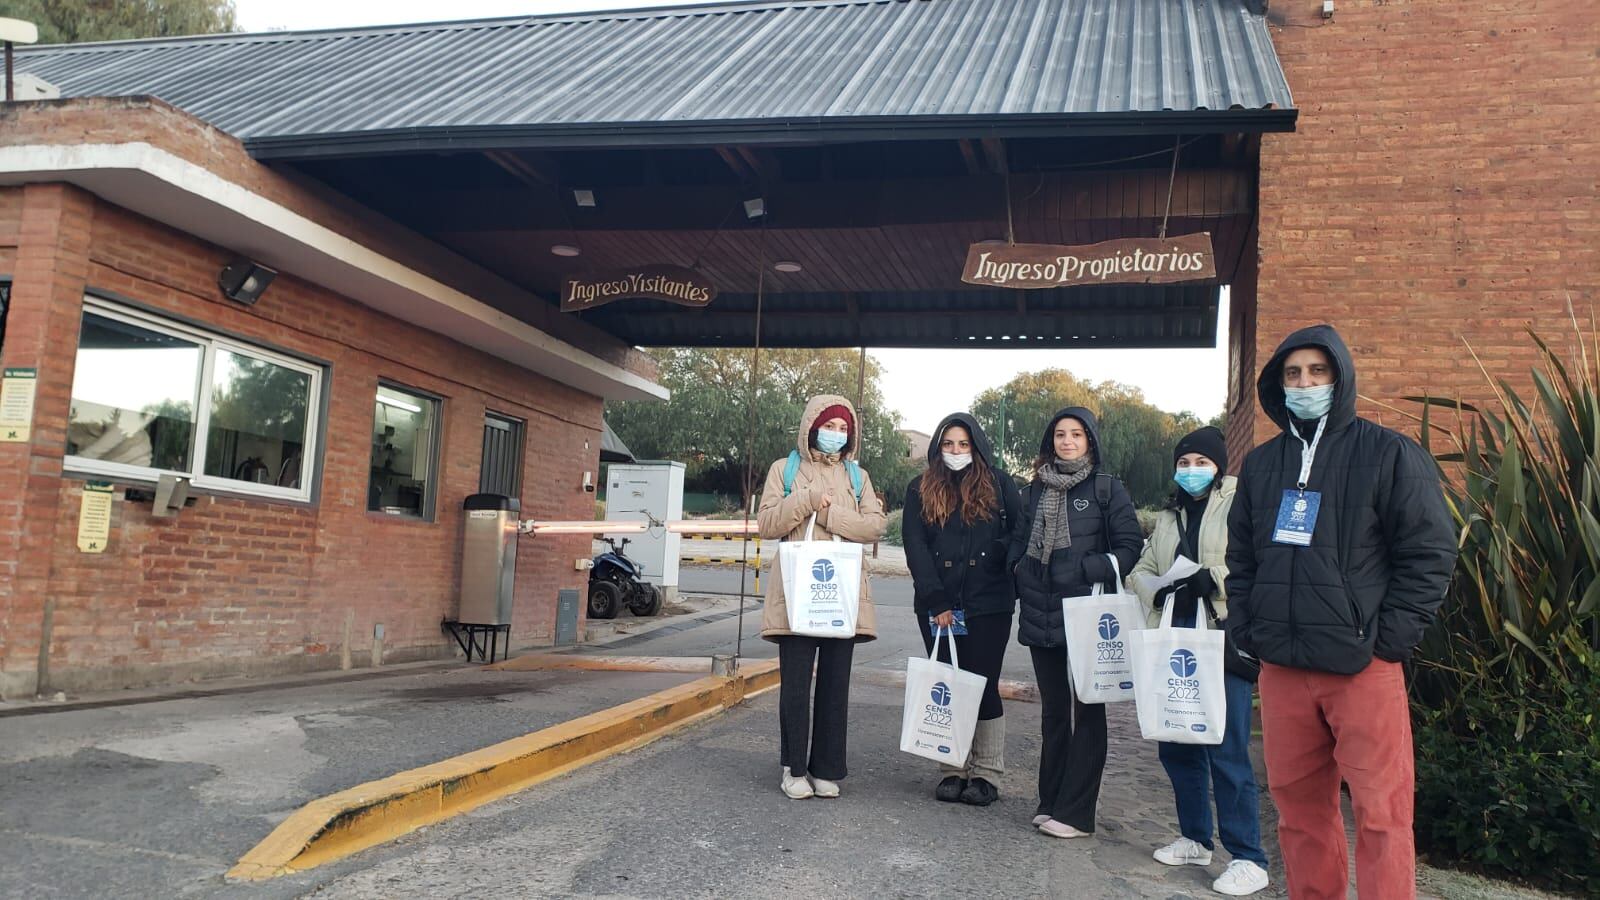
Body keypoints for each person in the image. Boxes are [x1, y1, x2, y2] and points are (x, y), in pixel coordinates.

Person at [1225, 325, 1456, 899]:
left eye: (1317, 371)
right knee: (1299, 815)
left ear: (1341, 377)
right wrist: (1249, 628)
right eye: (1293, 374)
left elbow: (1429, 553)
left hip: (1362, 668)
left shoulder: (1390, 454)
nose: (1305, 383)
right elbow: (1243, 556)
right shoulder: (1261, 465)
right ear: (1279, 386)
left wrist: (1390, 640)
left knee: (1381, 815)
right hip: (1282, 668)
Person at [1128, 426, 1270, 897]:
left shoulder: (1237, 502)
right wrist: (1162, 585)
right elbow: (1141, 571)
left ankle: (1248, 857)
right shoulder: (1168, 515)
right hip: (1174, 640)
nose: (1192, 471)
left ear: (1218, 465)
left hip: (1220, 640)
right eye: (1184, 462)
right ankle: (1194, 837)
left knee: (1226, 748)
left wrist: (1215, 578)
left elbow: (1257, 560)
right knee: (1177, 742)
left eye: (1201, 462)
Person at [1008, 406, 1143, 838]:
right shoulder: (1033, 492)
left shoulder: (1106, 489)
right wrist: (1018, 568)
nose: (1067, 441)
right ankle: (1051, 801)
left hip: (1087, 617)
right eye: (1060, 435)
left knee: (1087, 711)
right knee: (1053, 712)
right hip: (1040, 613)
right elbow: (1017, 540)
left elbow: (1129, 546)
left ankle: (1077, 813)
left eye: (1077, 435)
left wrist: (1090, 567)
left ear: (1090, 442)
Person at [758, 394, 887, 800]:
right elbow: (766, 523)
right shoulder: (785, 470)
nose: (836, 434)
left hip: (841, 594)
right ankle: (793, 767)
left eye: (843, 428)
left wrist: (829, 515)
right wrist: (807, 501)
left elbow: (874, 526)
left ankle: (826, 768)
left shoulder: (857, 476)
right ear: (812, 427)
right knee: (795, 685)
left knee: (835, 684)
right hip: (798, 594)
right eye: (829, 426)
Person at [902, 413, 1023, 807]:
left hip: (989, 603)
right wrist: (937, 601)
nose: (956, 452)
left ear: (977, 447)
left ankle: (987, 771)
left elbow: (1020, 533)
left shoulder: (1001, 485)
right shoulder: (919, 489)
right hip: (938, 605)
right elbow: (915, 546)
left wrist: (1001, 561)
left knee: (983, 684)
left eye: (964, 445)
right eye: (949, 445)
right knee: (947, 683)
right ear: (939, 448)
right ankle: (952, 767)